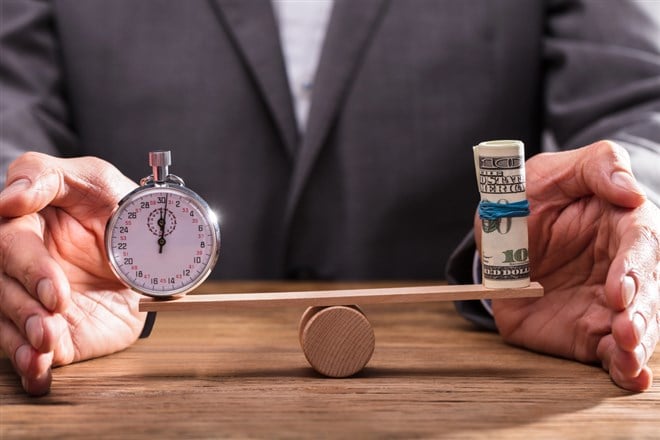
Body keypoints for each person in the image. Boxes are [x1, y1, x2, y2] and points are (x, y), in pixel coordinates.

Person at [0, 0, 658, 396]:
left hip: (488, 369)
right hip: (129, 371)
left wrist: (630, 211)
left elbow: (642, 107)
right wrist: (20, 222)